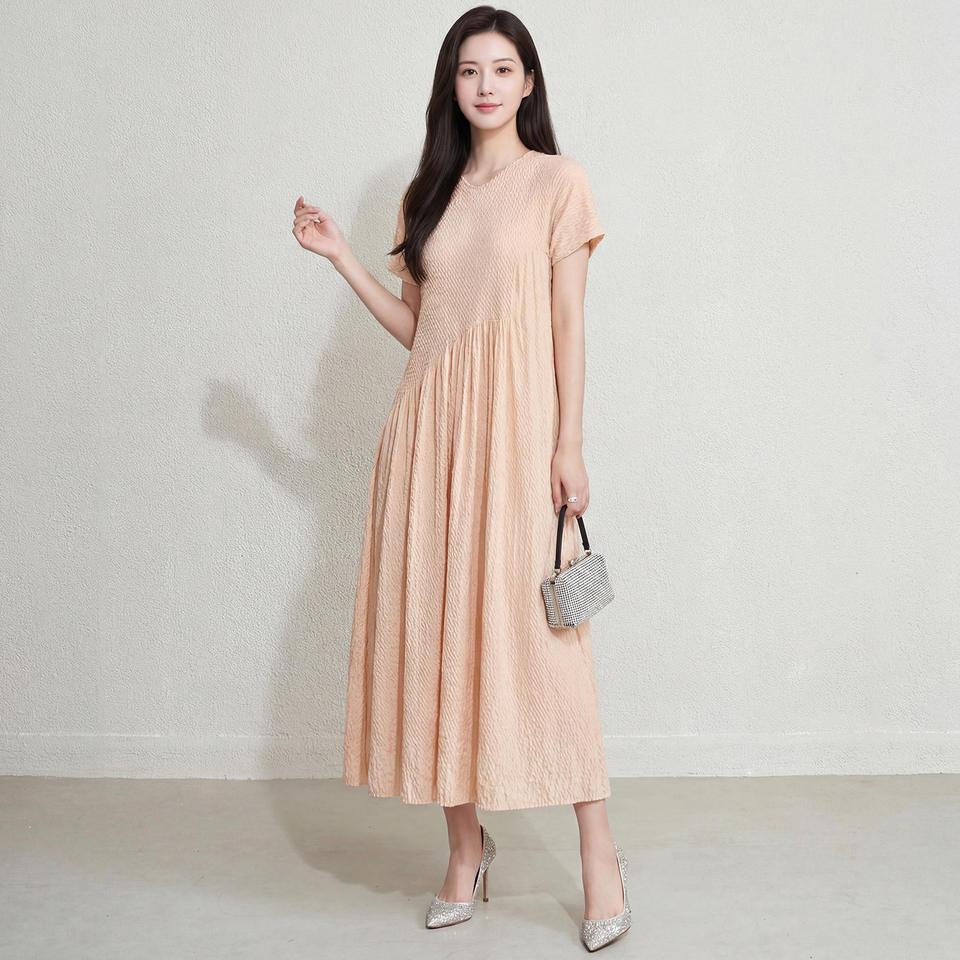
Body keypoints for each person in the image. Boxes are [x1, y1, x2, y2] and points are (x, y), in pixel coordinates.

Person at [292, 6, 630, 951]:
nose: (486, 84)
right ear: (452, 83)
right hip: (427, 438)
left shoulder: (559, 183)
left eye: (502, 68)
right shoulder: (425, 195)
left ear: (528, 82)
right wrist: (342, 258)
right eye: (469, 69)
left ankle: (598, 852)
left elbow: (568, 322)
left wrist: (568, 443)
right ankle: (463, 848)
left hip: (519, 435)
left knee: (544, 645)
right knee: (438, 635)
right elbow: (422, 330)